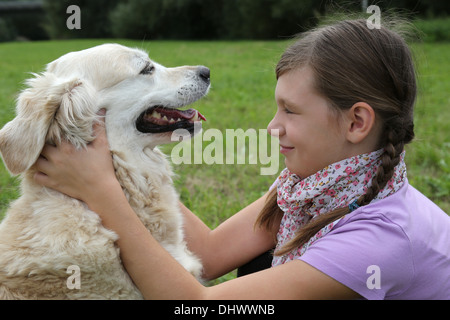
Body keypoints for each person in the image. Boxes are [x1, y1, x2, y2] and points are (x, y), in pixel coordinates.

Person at [34, 19, 450, 300]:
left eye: (290, 111)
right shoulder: (323, 182)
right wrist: (122, 165)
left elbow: (194, 304)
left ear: (356, 122)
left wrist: (105, 194)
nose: (272, 127)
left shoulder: (382, 241)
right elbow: (212, 254)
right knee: (256, 260)